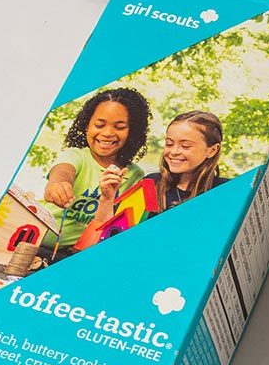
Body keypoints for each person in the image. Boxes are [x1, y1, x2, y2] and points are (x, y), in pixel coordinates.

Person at [75, 110, 230, 249]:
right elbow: (107, 241)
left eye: (186, 146)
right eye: (169, 143)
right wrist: (107, 198)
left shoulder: (226, 193)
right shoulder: (151, 184)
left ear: (212, 150)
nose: (173, 151)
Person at [40, 87, 151, 250]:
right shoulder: (76, 156)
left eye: (119, 127)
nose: (107, 133)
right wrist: (57, 185)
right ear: (87, 126)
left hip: (74, 254)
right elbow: (62, 172)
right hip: (36, 242)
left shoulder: (135, 175)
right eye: (99, 125)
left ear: (133, 132)